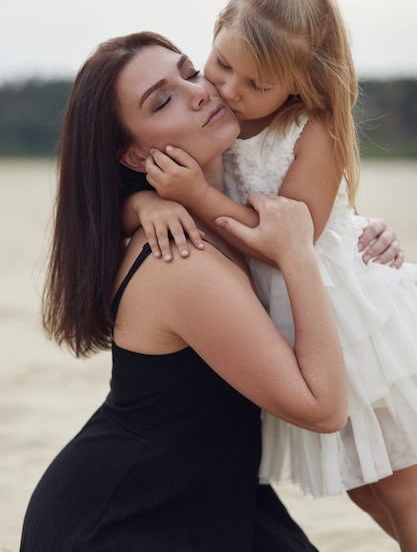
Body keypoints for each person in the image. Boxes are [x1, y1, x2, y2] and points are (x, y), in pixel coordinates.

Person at [129, 0, 417, 550]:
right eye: (221, 64)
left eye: (257, 85)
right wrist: (146, 206)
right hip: (289, 331)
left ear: (298, 82)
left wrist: (196, 195)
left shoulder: (317, 126)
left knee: (405, 489)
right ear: (214, 34)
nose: (229, 91)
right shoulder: (211, 115)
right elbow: (117, 189)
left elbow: (286, 238)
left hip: (347, 319)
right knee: (364, 488)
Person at [20, 31, 349, 552]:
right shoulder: (181, 258)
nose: (199, 92)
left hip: (214, 494)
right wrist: (297, 256)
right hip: (127, 519)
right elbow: (323, 409)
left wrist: (368, 238)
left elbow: (314, 220)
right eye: (164, 100)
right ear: (135, 155)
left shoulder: (214, 206)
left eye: (191, 71)